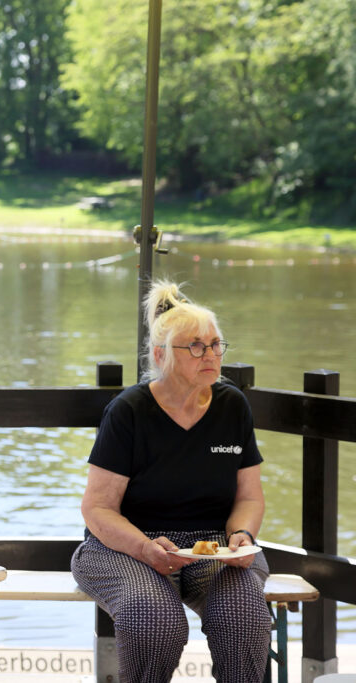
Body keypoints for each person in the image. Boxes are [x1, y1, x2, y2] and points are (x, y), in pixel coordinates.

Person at [70, 280, 271, 682]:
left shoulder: (232, 405)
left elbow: (249, 497)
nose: (210, 354)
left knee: (244, 617)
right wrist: (146, 548)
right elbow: (97, 509)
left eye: (216, 344)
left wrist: (244, 536)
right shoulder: (128, 411)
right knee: (156, 624)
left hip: (213, 544)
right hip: (126, 546)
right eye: (195, 346)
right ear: (162, 355)